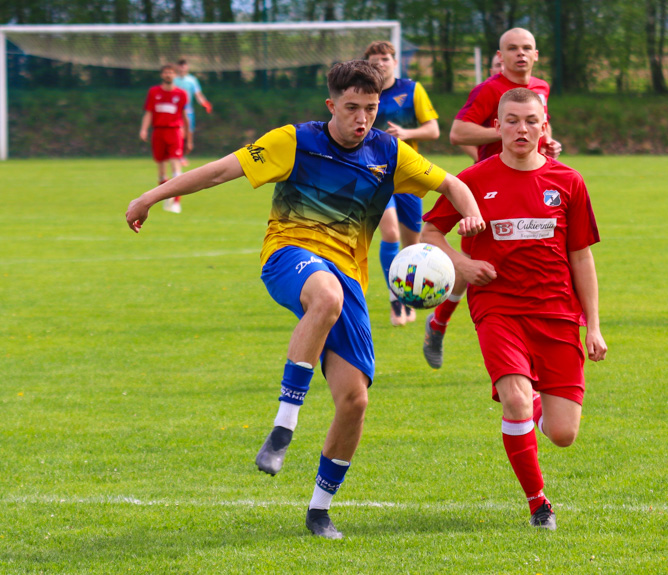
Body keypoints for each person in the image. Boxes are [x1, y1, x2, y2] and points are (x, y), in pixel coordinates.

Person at [126, 60, 485, 539]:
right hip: (289, 256)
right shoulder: (293, 140)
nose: (362, 119)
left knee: (354, 400)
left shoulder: (389, 152)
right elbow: (219, 172)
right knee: (326, 295)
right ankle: (284, 424)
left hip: (350, 278)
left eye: (371, 109)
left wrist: (473, 212)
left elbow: (453, 183)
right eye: (352, 108)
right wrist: (152, 195)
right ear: (330, 105)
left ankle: (319, 510)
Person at [421, 88, 607, 530]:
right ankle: (538, 503)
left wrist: (593, 326)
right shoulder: (473, 181)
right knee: (517, 402)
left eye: (530, 121)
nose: (521, 129)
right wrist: (463, 263)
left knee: (563, 434)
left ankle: (540, 410)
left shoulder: (569, 182)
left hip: (557, 312)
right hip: (498, 309)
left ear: (544, 127)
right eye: (511, 121)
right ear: (497, 127)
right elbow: (429, 232)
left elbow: (581, 256)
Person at [424, 27, 562, 369]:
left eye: (527, 48)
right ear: (500, 56)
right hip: (490, 186)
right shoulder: (489, 90)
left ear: (536, 55)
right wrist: (510, 130)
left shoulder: (541, 87)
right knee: (475, 266)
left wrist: (548, 146)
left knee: (508, 265)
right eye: (512, 49)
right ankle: (442, 326)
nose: (520, 54)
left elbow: (543, 126)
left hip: (531, 182)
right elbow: (458, 132)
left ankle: (443, 326)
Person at [364, 40, 441, 327]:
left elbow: (433, 129)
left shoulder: (411, 90)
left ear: (395, 62)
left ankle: (411, 296)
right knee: (391, 232)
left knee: (413, 245)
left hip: (408, 174)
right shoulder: (363, 92)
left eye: (384, 58)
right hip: (375, 174)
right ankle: (396, 299)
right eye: (374, 60)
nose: (380, 64)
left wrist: (406, 132)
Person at [139, 64, 191, 214]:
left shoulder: (181, 94)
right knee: (161, 170)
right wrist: (143, 129)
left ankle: (176, 202)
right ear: (162, 75)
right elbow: (149, 112)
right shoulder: (154, 92)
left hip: (174, 132)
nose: (168, 75)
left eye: (171, 72)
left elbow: (185, 116)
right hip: (158, 132)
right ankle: (165, 198)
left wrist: (188, 136)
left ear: (175, 75)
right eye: (166, 72)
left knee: (176, 165)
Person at [458, 53, 503, 163]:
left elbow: (544, 122)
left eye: (505, 64)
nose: (502, 68)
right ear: (491, 71)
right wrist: (480, 160)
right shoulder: (485, 92)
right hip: (492, 168)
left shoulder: (534, 88)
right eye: (498, 65)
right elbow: (460, 134)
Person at [174, 58, 213, 167]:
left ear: (187, 67)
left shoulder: (192, 80)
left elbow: (198, 94)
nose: (182, 68)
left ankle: (182, 154)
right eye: (180, 65)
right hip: (175, 111)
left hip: (188, 110)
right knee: (178, 132)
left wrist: (205, 103)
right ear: (177, 67)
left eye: (184, 65)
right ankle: (178, 155)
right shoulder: (174, 80)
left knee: (188, 133)